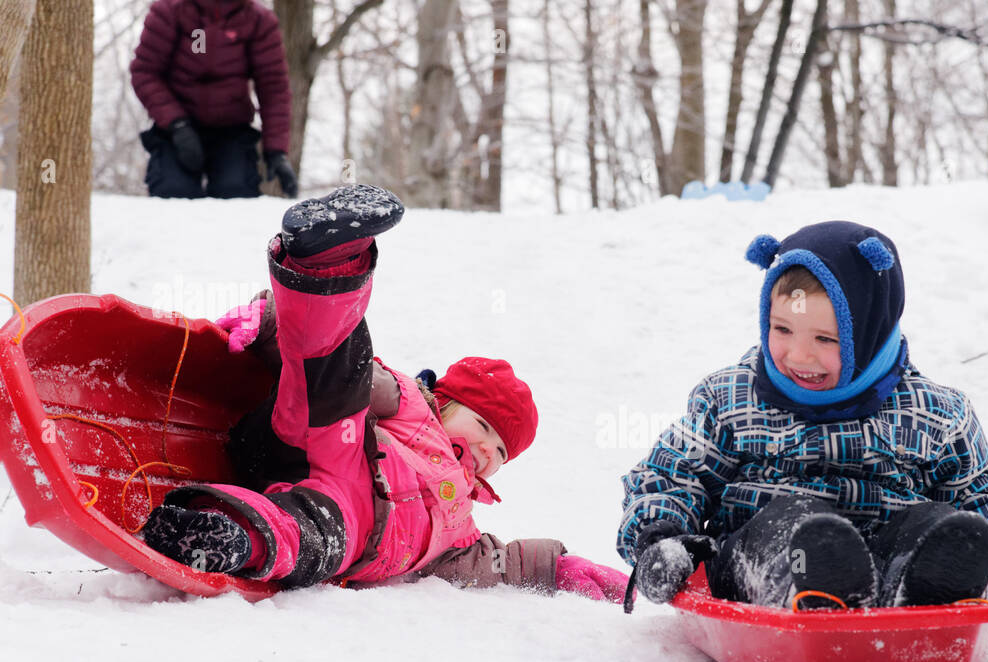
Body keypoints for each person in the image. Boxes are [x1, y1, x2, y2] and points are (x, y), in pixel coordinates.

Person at [140, 184, 627, 604]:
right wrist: (269, 325)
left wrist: (555, 569)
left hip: (347, 517)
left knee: (316, 542)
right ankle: (325, 260)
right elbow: (328, 370)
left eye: (499, 451)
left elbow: (497, 564)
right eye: (482, 426)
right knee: (347, 368)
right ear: (447, 403)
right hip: (319, 441)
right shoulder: (410, 402)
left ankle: (223, 533)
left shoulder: (461, 529)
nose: (485, 449)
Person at [617, 221, 988, 630]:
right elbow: (671, 473)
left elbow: (978, 493)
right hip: (763, 565)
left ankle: (934, 593)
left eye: (826, 339)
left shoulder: (934, 413)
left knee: (934, 525)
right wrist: (663, 537)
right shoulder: (729, 399)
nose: (800, 356)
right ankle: (819, 587)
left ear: (871, 333)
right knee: (792, 527)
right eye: (782, 329)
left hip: (890, 566)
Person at [130, 0, 297, 200]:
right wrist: (178, 125)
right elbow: (145, 72)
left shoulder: (259, 20)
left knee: (237, 193)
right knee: (173, 192)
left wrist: (276, 152)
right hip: (176, 130)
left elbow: (273, 88)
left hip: (231, 130)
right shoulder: (169, 10)